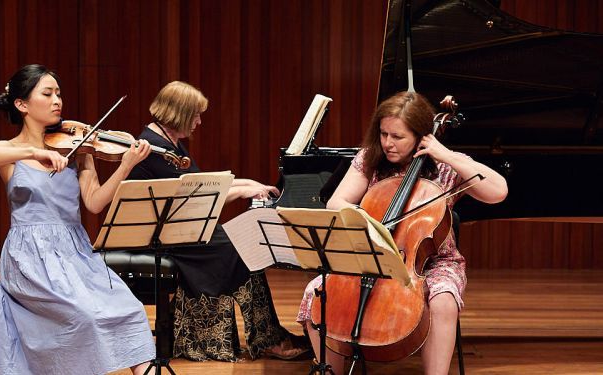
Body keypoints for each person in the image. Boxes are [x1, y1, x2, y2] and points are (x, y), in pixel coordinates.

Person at [297, 91, 508, 375]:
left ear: (422, 136)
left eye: (397, 137)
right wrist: (362, 217)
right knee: (318, 292)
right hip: (372, 255)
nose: (387, 143)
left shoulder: (445, 165)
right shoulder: (370, 158)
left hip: (431, 263)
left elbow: (498, 191)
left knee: (443, 299)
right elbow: (337, 202)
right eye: (383, 133)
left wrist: (446, 154)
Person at [0, 64, 156, 375]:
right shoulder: (11, 152)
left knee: (130, 310)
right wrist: (33, 153)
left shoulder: (78, 147)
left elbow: (95, 203)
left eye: (59, 93)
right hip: (29, 257)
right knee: (83, 314)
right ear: (22, 105)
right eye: (47, 93)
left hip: (76, 254)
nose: (58, 100)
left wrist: (125, 167)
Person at [127, 81, 310, 362]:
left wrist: (248, 183)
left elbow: (204, 184)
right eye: (196, 115)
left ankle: (269, 335)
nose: (199, 122)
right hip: (161, 237)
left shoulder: (170, 142)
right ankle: (268, 339)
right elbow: (196, 200)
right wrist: (242, 191)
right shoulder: (152, 149)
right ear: (180, 114)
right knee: (243, 248)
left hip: (183, 231)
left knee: (246, 243)